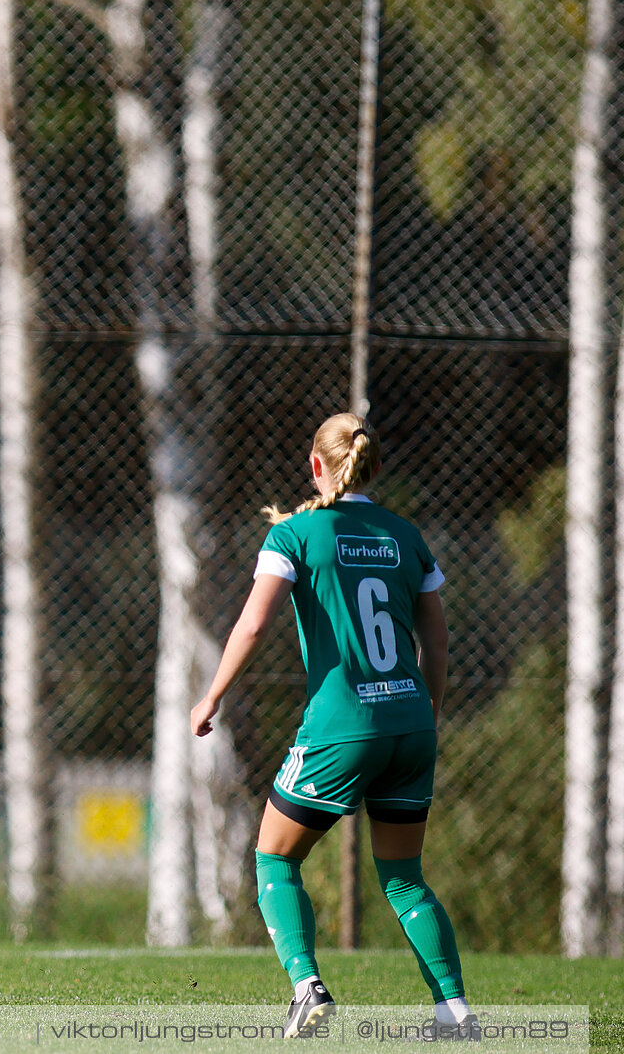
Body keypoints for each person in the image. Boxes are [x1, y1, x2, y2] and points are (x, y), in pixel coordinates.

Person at [190, 413, 471, 1038]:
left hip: (342, 725)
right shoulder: (406, 535)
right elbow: (438, 640)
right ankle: (453, 1011)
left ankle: (307, 989)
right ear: (374, 466)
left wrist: (210, 696)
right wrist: (427, 714)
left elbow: (254, 625)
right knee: (404, 879)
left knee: (273, 859)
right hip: (411, 721)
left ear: (316, 466)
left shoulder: (295, 534)